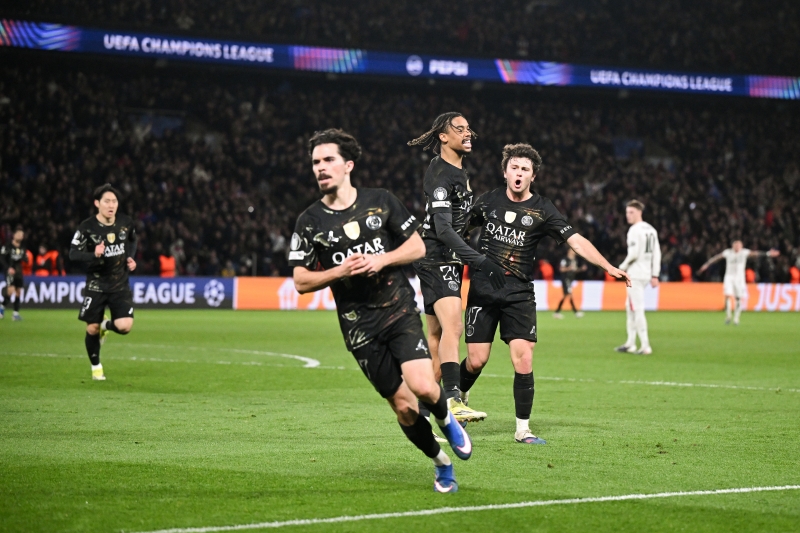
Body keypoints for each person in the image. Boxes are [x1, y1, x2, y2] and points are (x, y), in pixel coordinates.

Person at [288, 128, 473, 493]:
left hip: (397, 310)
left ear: (348, 165)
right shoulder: (310, 222)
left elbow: (418, 247)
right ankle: (441, 463)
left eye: (328, 160)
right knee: (403, 408)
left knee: (423, 385)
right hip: (359, 328)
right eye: (315, 162)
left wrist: (381, 260)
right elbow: (300, 280)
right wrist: (339, 271)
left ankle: (446, 418)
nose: (321, 168)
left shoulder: (381, 201)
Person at [459, 144, 630, 444]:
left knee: (524, 358)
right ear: (505, 172)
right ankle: (458, 399)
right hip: (484, 290)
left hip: (519, 293)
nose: (519, 173)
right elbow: (459, 229)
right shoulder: (488, 201)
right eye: (514, 167)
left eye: (525, 169)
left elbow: (576, 240)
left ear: (533, 176)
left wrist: (607, 266)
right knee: (476, 361)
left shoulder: (543, 209)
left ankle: (523, 429)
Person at [408, 112, 505, 423]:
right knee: (454, 328)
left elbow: (458, 220)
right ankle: (453, 399)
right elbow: (443, 229)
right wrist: (479, 260)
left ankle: (422, 412)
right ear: (443, 137)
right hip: (437, 257)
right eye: (459, 129)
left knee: (437, 337)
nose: (467, 133)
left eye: (468, 129)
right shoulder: (440, 174)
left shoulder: (459, 170)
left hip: (441, 257)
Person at [69, 184, 138, 381]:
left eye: (114, 201)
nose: (111, 205)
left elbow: (133, 240)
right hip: (96, 284)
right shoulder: (87, 227)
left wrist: (131, 257)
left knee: (125, 326)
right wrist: (94, 254)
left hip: (119, 283)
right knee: (91, 328)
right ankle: (96, 367)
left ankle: (105, 325)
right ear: (97, 203)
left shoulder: (125, 222)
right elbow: (73, 254)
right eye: (107, 201)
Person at [615, 200, 661, 355]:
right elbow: (657, 253)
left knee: (637, 309)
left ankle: (645, 346)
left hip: (635, 274)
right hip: (646, 273)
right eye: (627, 212)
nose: (628, 215)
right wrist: (655, 274)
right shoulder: (651, 229)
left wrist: (621, 267)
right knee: (630, 307)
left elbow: (633, 254)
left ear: (639, 212)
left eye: (631, 212)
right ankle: (630, 343)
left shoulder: (634, 230)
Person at [698, 240, 779, 324]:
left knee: (738, 298)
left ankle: (736, 318)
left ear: (741, 246)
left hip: (739, 279)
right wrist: (706, 265)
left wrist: (768, 253)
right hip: (729, 277)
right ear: (732, 246)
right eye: (736, 245)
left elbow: (755, 254)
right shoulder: (728, 252)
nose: (737, 247)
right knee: (727, 296)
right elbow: (717, 258)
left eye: (739, 245)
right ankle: (728, 316)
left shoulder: (744, 252)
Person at [0, 229, 29, 321]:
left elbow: (25, 258)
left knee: (18, 292)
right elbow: (1, 258)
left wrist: (25, 258)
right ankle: (1, 308)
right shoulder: (7, 246)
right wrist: (8, 268)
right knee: (10, 290)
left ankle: (15, 314)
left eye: (22, 235)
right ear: (14, 235)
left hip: (18, 272)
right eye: (19, 234)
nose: (20, 236)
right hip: (10, 271)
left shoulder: (22, 248)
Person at [553, 248, 586, 318]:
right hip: (566, 279)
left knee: (565, 295)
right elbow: (561, 269)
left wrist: (581, 269)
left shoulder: (574, 260)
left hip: (570, 280)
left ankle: (557, 312)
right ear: (569, 252)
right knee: (570, 295)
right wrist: (569, 268)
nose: (574, 252)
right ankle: (576, 312)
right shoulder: (565, 259)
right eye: (572, 251)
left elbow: (574, 270)